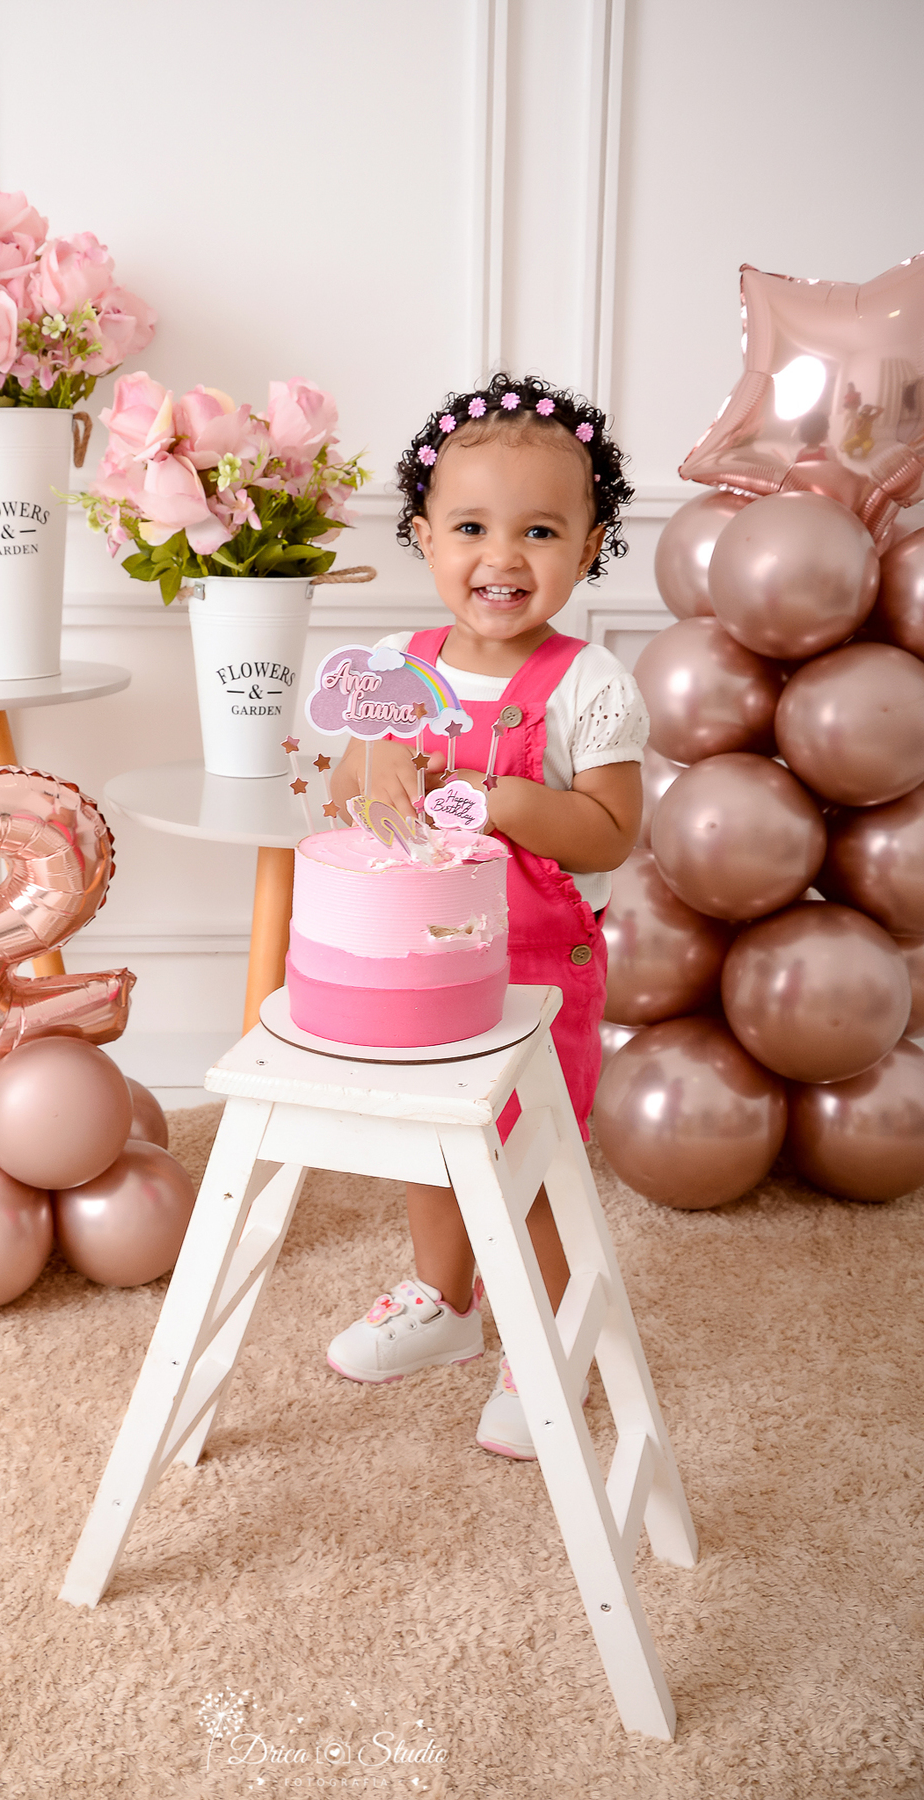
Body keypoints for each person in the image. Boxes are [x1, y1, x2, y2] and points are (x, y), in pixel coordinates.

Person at [326, 371, 647, 1459]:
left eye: (540, 530)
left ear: (590, 541)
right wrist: (378, 777)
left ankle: (547, 1338)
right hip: (418, 967)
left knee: (530, 1162)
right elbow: (349, 789)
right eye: (471, 526)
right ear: (424, 537)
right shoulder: (400, 669)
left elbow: (611, 833)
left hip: (533, 973)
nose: (502, 557)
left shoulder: (587, 682)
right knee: (429, 1147)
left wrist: (515, 804)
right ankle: (445, 1302)